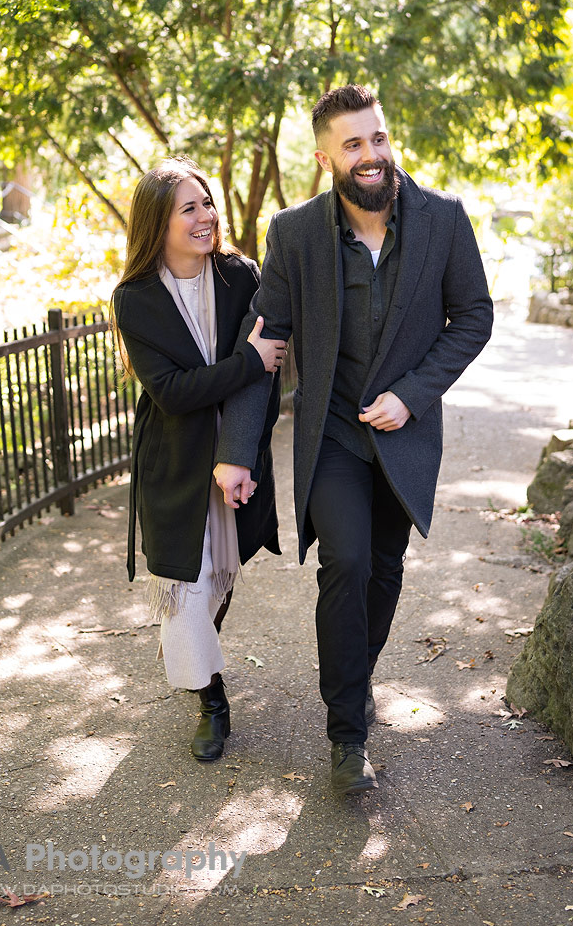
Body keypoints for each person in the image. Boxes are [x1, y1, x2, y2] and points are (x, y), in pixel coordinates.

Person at [213, 85, 494, 794]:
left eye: (377, 139)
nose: (370, 155)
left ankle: (357, 678)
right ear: (325, 157)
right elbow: (266, 342)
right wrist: (237, 450)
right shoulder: (296, 233)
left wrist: (413, 394)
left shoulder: (442, 220)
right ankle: (346, 734)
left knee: (384, 567)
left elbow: (472, 316)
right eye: (353, 145)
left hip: (402, 434)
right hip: (332, 434)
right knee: (345, 560)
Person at [110, 158, 286, 763]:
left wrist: (246, 450)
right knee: (185, 585)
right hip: (176, 463)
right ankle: (211, 700)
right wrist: (249, 361)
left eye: (207, 202)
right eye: (190, 207)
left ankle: (197, 660)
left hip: (236, 454)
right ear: (158, 222)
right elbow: (174, 391)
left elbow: (268, 377)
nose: (207, 216)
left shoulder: (241, 277)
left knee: (218, 577)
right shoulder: (134, 299)